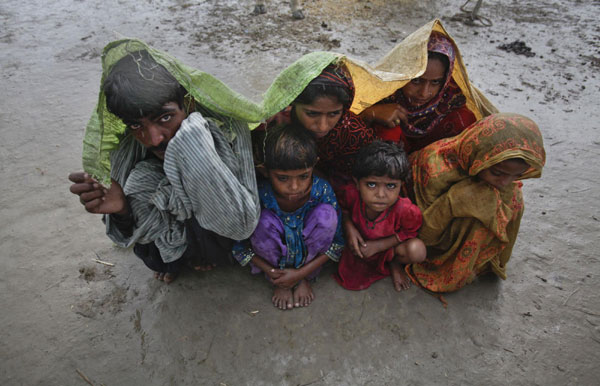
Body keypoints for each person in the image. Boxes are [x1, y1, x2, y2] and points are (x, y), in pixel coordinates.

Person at [69, 48, 260, 284]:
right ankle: (179, 262)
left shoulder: (228, 129)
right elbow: (129, 233)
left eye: (165, 118)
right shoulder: (130, 151)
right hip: (172, 250)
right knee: (141, 182)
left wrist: (196, 144)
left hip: (226, 242)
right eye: (136, 126)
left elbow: (243, 223)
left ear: (188, 104)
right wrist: (122, 211)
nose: (154, 139)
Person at [406, 113, 546, 292]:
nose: (504, 181)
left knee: (513, 198)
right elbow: (423, 233)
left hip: (451, 218)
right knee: (480, 212)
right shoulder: (436, 166)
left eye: (517, 175)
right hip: (430, 234)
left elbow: (506, 191)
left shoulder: (501, 181)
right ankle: (454, 265)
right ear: (479, 155)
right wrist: (452, 203)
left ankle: (486, 261)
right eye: (497, 173)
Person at [234, 124, 344, 310]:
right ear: (265, 171)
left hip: (307, 263)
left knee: (327, 216)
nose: (294, 187)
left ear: (314, 166)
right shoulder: (260, 195)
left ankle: (302, 279)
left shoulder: (322, 190)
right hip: (273, 269)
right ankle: (280, 281)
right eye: (283, 178)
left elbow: (338, 243)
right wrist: (274, 274)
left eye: (303, 176)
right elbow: (239, 244)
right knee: (260, 221)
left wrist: (300, 274)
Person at [253, 64, 375, 190]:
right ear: (293, 102)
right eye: (312, 113)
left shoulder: (355, 134)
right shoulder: (274, 123)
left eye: (334, 113)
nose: (322, 127)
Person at [360, 32, 477, 153]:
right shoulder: (383, 92)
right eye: (416, 80)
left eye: (435, 82)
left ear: (446, 80)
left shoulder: (452, 105)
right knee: (387, 126)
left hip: (433, 169)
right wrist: (370, 113)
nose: (424, 93)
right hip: (384, 168)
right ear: (402, 73)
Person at [334, 141, 426, 291]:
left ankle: (394, 264)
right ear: (357, 183)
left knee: (418, 250)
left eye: (390, 186)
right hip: (358, 248)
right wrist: (349, 226)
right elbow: (341, 209)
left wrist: (378, 246)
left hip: (388, 251)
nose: (381, 195)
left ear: (400, 185)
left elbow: (409, 232)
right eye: (371, 184)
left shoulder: (406, 210)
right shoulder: (351, 194)